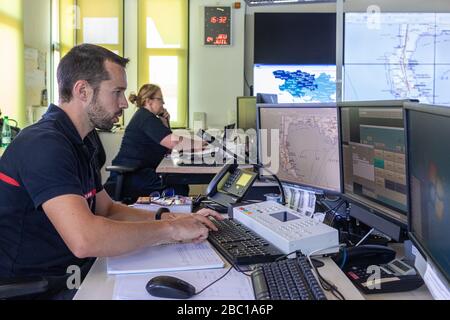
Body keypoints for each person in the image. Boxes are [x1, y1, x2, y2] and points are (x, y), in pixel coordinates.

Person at [0, 44, 222, 299]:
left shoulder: (84, 139)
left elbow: (107, 209)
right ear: (82, 90)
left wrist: (171, 219)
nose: (125, 103)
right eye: (117, 92)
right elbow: (85, 239)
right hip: (43, 285)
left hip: (78, 270)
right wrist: (171, 231)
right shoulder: (44, 144)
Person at [106, 84, 200, 200]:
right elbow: (173, 143)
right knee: (178, 186)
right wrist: (199, 144)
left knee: (179, 183)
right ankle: (174, 216)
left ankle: (175, 215)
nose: (163, 103)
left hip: (140, 173)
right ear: (149, 101)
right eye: (160, 99)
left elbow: (169, 149)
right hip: (131, 176)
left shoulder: (150, 118)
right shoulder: (145, 117)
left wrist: (165, 123)